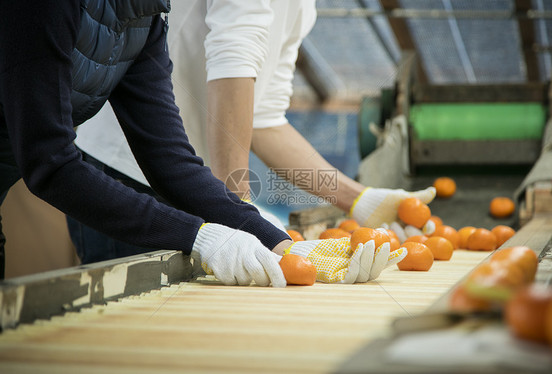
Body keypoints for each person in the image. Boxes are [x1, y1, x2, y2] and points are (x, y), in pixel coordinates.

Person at [0, 0, 399, 287]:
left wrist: (278, 242)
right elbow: (49, 162)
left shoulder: (146, 16)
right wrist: (202, 235)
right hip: (103, 168)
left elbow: (172, 161)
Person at [71, 0, 435, 262]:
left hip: (192, 180)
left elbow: (265, 119)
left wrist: (358, 199)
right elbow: (233, 63)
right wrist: (237, 206)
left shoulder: (303, 7)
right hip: (130, 165)